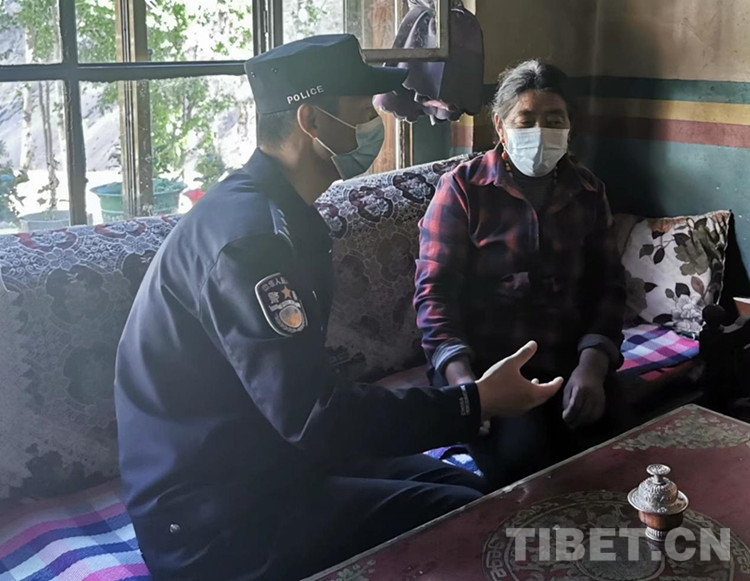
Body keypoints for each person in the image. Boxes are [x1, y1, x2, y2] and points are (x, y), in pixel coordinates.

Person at [114, 36, 562, 581]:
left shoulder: (286, 213)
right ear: (311, 121)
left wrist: (469, 404)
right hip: (212, 518)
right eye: (362, 112)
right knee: (469, 521)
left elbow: (301, 404)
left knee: (472, 492)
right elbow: (313, 417)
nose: (375, 125)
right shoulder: (250, 241)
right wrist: (475, 402)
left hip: (273, 456)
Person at [414, 59, 629, 489]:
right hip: (484, 365)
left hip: (566, 358)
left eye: (554, 120)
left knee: (625, 452)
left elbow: (607, 286)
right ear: (500, 125)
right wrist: (468, 390)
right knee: (528, 468)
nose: (540, 132)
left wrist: (593, 367)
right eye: (525, 120)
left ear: (569, 127)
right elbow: (434, 296)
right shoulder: (462, 189)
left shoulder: (588, 191)